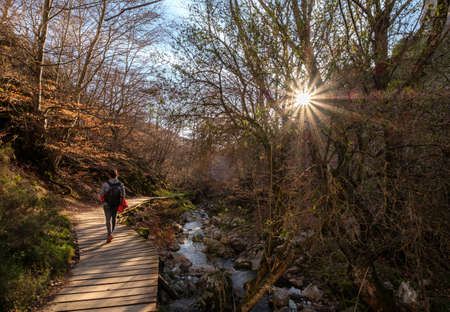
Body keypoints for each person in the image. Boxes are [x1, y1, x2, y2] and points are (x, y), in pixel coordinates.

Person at [99, 169, 125, 243]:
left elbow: (101, 194)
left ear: (109, 175)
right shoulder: (121, 184)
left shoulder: (105, 184)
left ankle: (109, 234)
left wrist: (104, 200)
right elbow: (123, 195)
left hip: (107, 204)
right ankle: (112, 234)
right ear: (117, 175)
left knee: (108, 220)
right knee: (114, 219)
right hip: (116, 204)